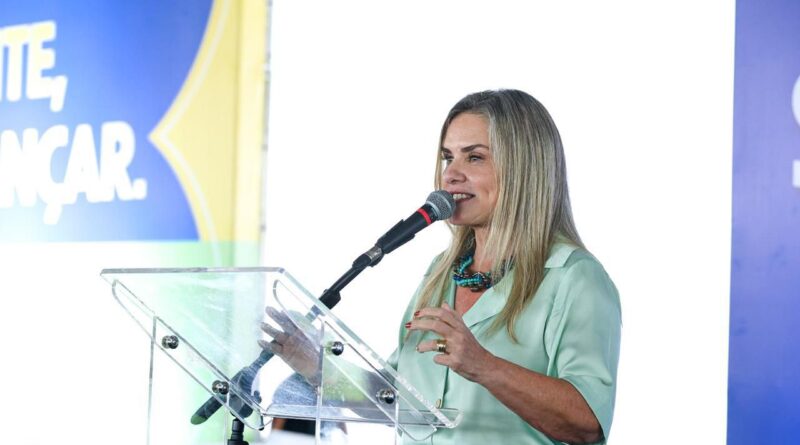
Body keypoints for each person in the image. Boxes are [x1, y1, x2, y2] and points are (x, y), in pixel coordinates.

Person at [262, 89, 621, 445]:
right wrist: (317, 366)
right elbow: (398, 401)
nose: (450, 175)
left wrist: (484, 366)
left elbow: (587, 424)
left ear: (524, 169)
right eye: (448, 157)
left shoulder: (574, 277)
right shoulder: (441, 273)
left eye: (474, 157)